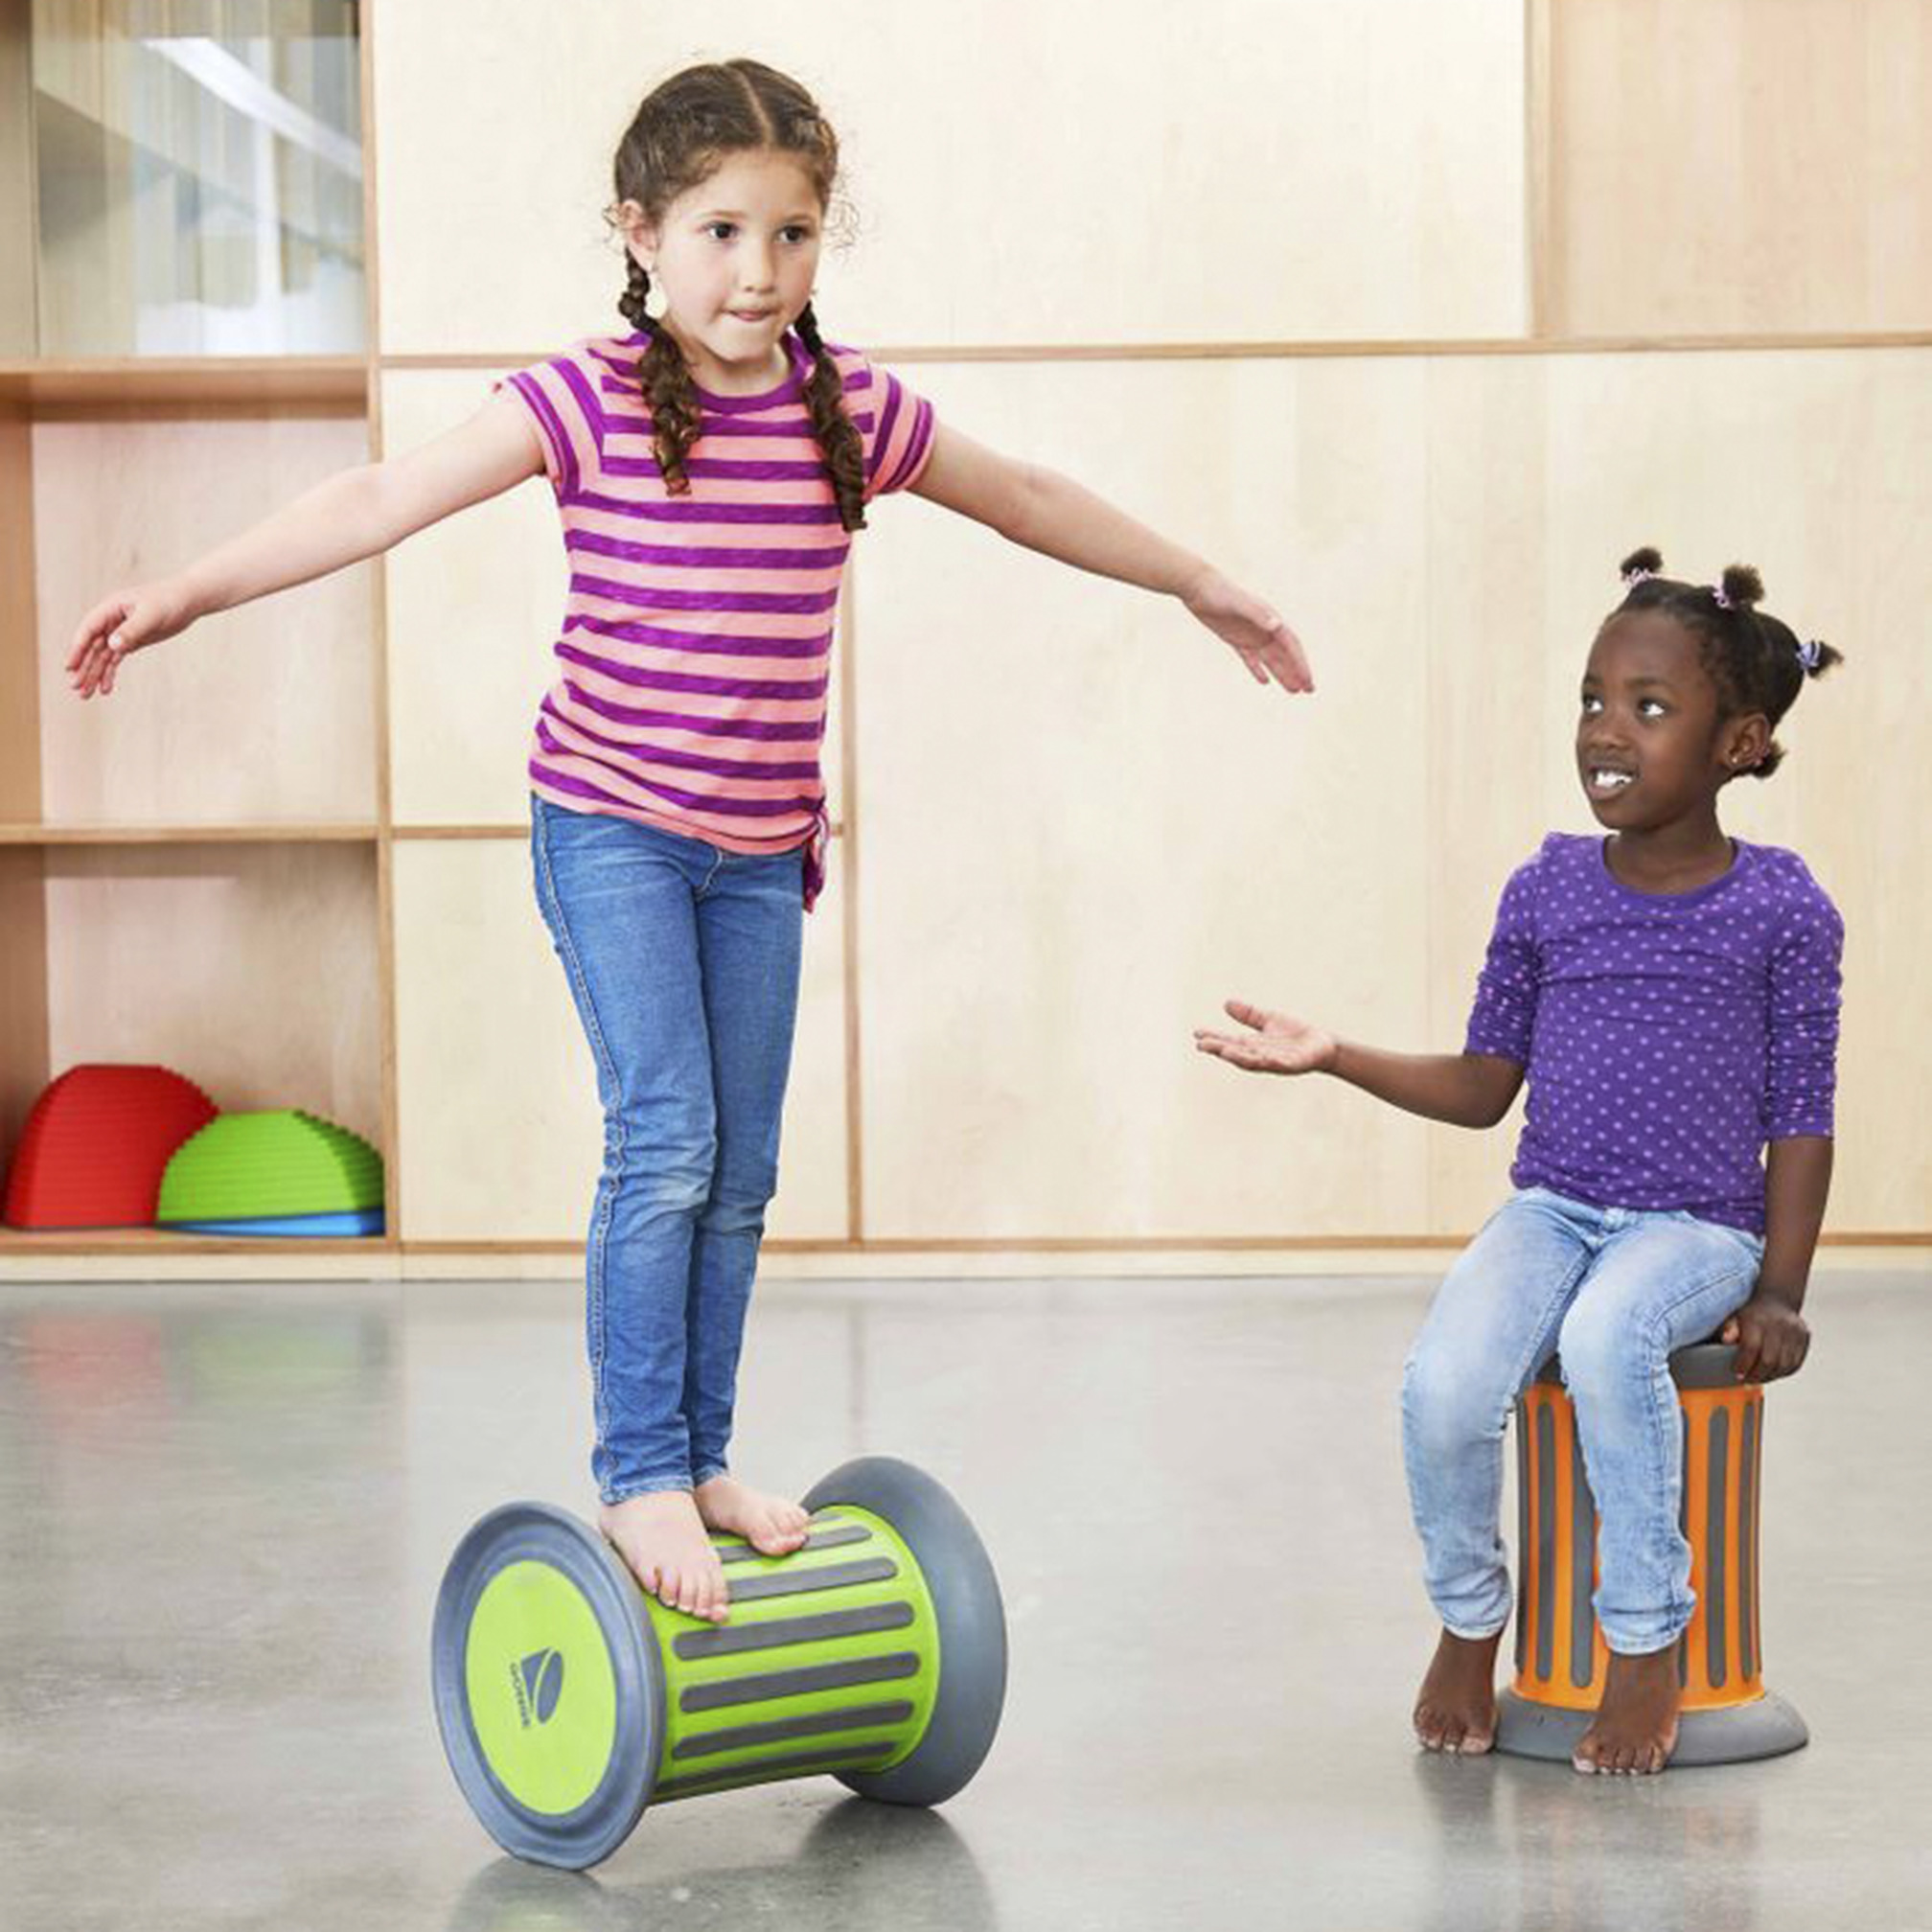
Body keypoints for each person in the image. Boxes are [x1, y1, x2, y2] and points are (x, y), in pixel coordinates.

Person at [68, 58, 1313, 1624]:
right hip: (610, 829)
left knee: (742, 1168)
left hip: (757, 851)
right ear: (642, 232)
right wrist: (182, 593)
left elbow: (1030, 496)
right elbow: (380, 496)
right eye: (724, 232)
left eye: (795, 236)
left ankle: (708, 1454)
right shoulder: (581, 401)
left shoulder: (844, 406)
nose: (761, 272)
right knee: (666, 1136)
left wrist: (1200, 582)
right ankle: (639, 1463)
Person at [1194, 547, 1842, 1774]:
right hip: (1554, 1210)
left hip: (1697, 1228)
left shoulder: (1784, 906)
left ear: (1740, 742)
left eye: (1651, 708)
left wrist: (1782, 1293)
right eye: (1593, 699)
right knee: (1444, 1384)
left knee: (1607, 1340)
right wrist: (1335, 1054)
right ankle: (1465, 1622)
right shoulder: (1547, 887)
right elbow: (1486, 1089)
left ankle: (1646, 1641)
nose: (1607, 730)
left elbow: (1803, 1116)